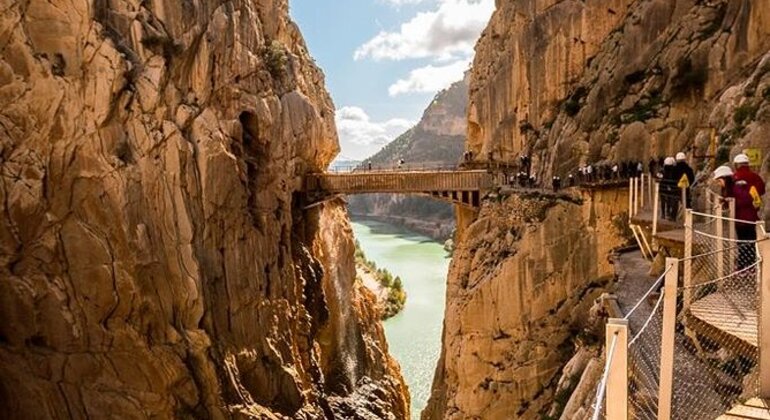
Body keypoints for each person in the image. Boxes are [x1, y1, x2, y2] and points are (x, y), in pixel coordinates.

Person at [730, 154, 766, 269]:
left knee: (741, 241)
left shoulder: (734, 178)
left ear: (736, 165)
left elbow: (730, 194)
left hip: (738, 215)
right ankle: (752, 264)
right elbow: (762, 190)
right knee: (752, 240)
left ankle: (743, 265)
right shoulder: (755, 177)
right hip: (752, 214)